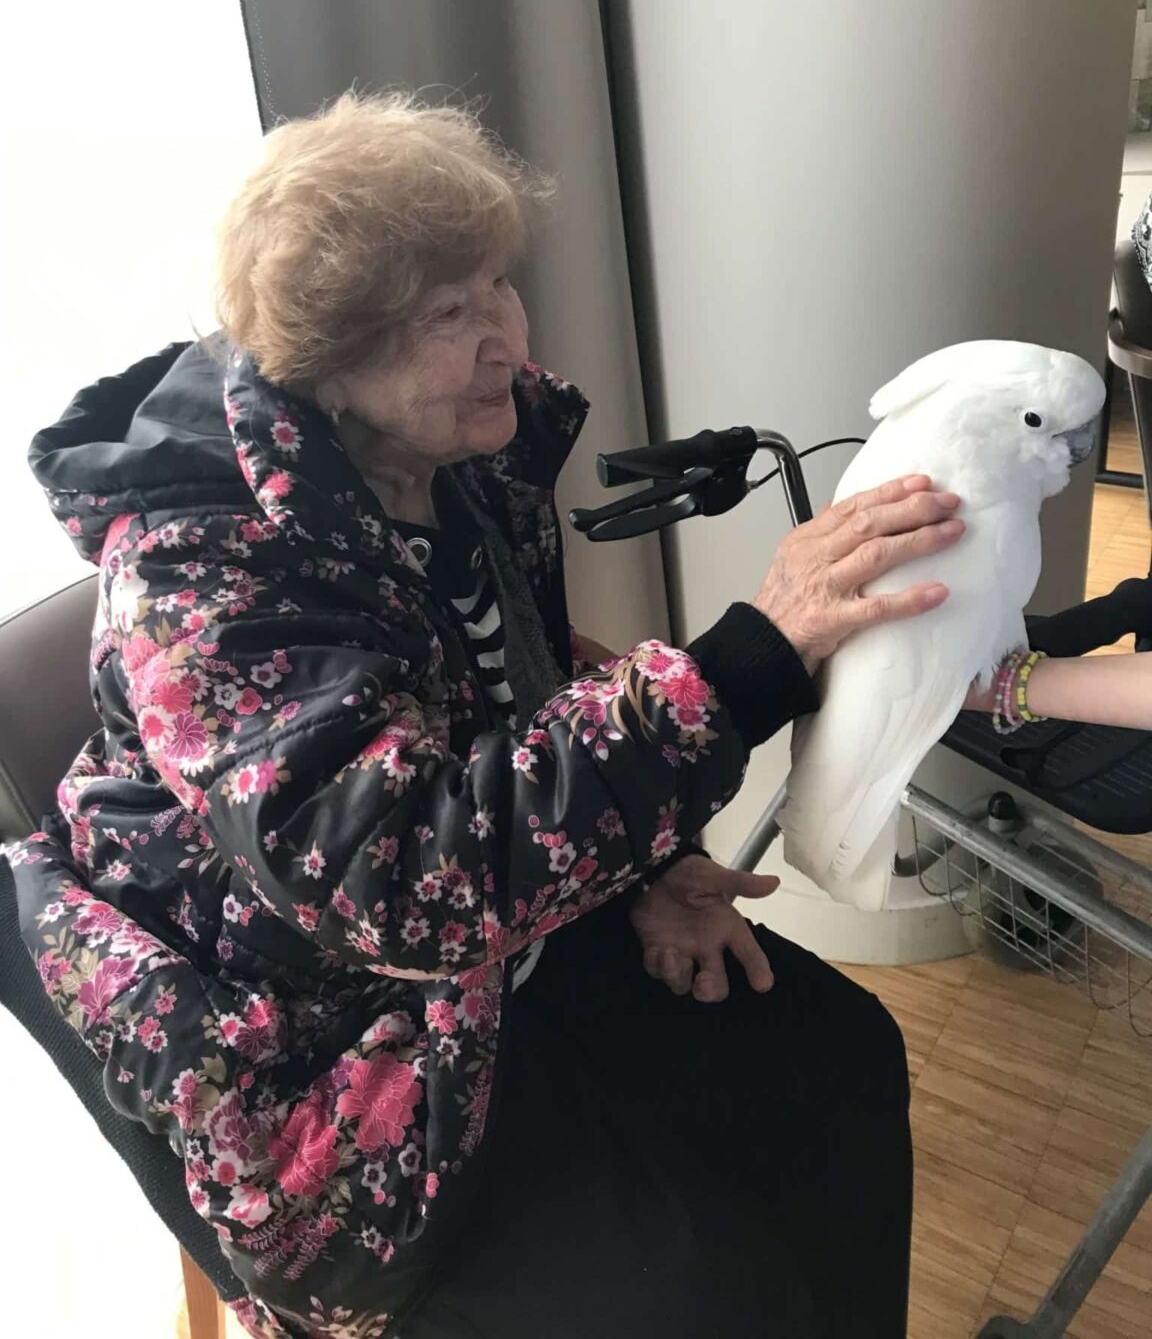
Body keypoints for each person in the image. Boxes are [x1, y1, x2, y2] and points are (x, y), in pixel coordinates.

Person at [14, 93, 966, 1339]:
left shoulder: (458, 453)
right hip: (326, 1035)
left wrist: (648, 864)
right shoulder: (200, 582)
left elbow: (508, 691)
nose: (508, 337)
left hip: (500, 931)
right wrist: (748, 660)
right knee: (692, 1297)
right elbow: (400, 877)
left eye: (499, 284)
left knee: (841, 1063)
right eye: (448, 315)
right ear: (327, 362)